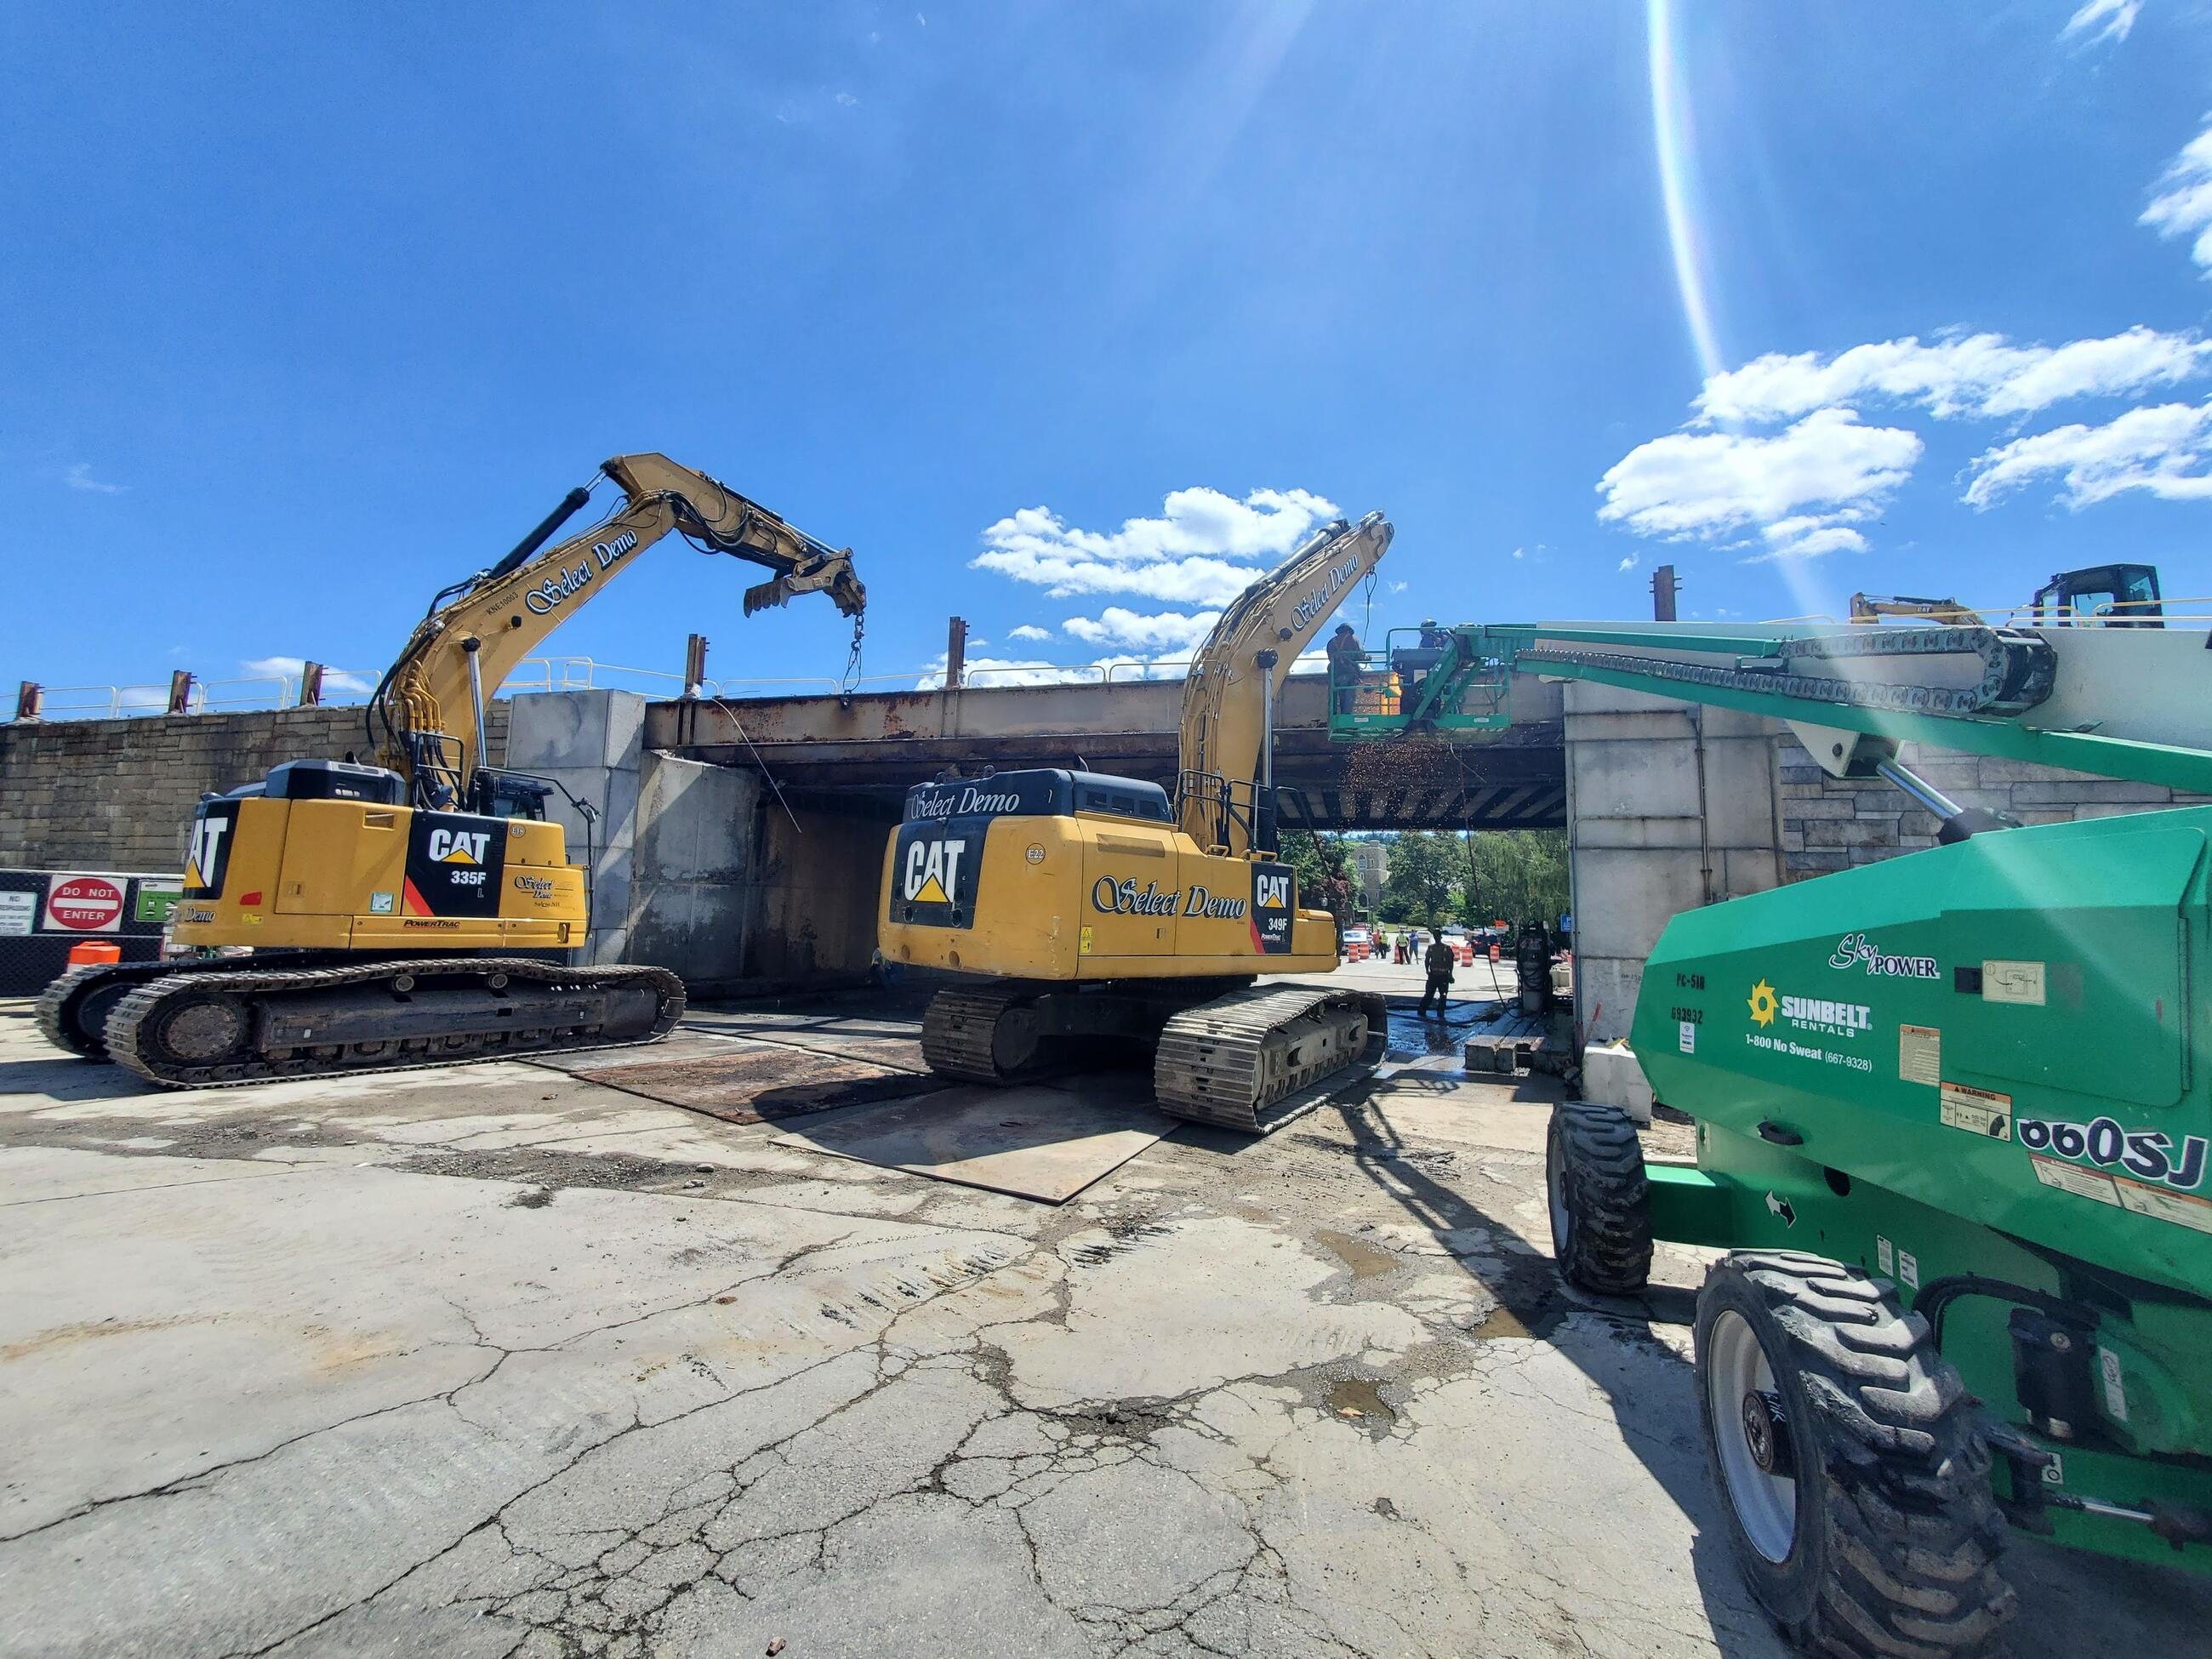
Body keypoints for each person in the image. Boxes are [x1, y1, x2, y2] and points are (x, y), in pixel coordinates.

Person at [1325, 623, 1363, 715]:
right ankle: (1346, 719)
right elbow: (1359, 656)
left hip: (1334, 672)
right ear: (1349, 631)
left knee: (1334, 696)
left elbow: (1330, 657)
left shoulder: (1331, 642)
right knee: (1348, 697)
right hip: (1349, 672)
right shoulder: (1353, 639)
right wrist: (1366, 656)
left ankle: (1332, 717)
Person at [1419, 933, 1456, 1016]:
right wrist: (1450, 974)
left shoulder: (1433, 948)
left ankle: (1423, 1010)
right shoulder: (1445, 948)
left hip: (1436, 975)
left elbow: (1427, 960)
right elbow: (1450, 962)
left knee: (1431, 994)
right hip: (1441, 975)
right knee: (1440, 994)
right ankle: (1438, 1011)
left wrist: (1427, 970)